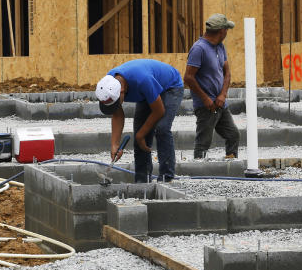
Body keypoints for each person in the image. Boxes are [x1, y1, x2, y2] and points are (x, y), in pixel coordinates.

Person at [96, 59, 184, 182]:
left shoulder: (143, 80)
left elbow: (159, 111)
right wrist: (114, 144)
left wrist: (141, 135)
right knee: (139, 133)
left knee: (162, 129)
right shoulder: (108, 84)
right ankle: (142, 180)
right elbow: (117, 115)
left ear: (122, 91)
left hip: (169, 87)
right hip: (146, 92)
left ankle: (166, 177)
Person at [184, 13, 240, 159]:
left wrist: (223, 95)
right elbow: (188, 77)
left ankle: (231, 162)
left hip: (220, 103)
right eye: (226, 30)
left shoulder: (220, 47)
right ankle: (198, 170)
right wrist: (205, 99)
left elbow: (227, 73)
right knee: (203, 142)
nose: (227, 32)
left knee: (233, 135)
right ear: (221, 31)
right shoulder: (199, 49)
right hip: (206, 106)